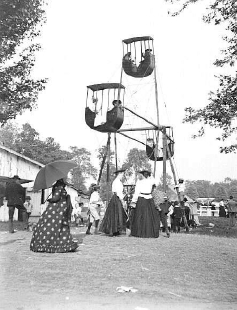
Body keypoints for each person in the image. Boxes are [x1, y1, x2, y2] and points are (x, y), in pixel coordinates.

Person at [30, 178, 78, 253]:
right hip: (58, 209)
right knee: (58, 226)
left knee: (52, 225)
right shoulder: (59, 187)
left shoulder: (57, 187)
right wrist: (52, 199)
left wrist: (50, 199)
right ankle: (60, 243)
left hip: (58, 209)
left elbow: (55, 198)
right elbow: (56, 198)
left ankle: (49, 243)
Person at [130, 170, 160, 238]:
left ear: (143, 175)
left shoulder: (139, 182)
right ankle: (150, 232)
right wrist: (151, 176)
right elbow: (155, 183)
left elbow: (137, 192)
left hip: (141, 198)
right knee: (150, 216)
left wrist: (133, 201)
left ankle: (140, 232)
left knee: (140, 216)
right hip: (149, 199)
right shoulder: (151, 181)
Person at [99, 169, 127, 236]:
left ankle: (115, 230)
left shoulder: (116, 182)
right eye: (122, 174)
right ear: (119, 174)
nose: (122, 176)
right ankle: (115, 230)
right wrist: (122, 199)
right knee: (117, 214)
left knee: (115, 214)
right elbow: (118, 192)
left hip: (115, 198)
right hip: (116, 198)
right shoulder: (117, 182)